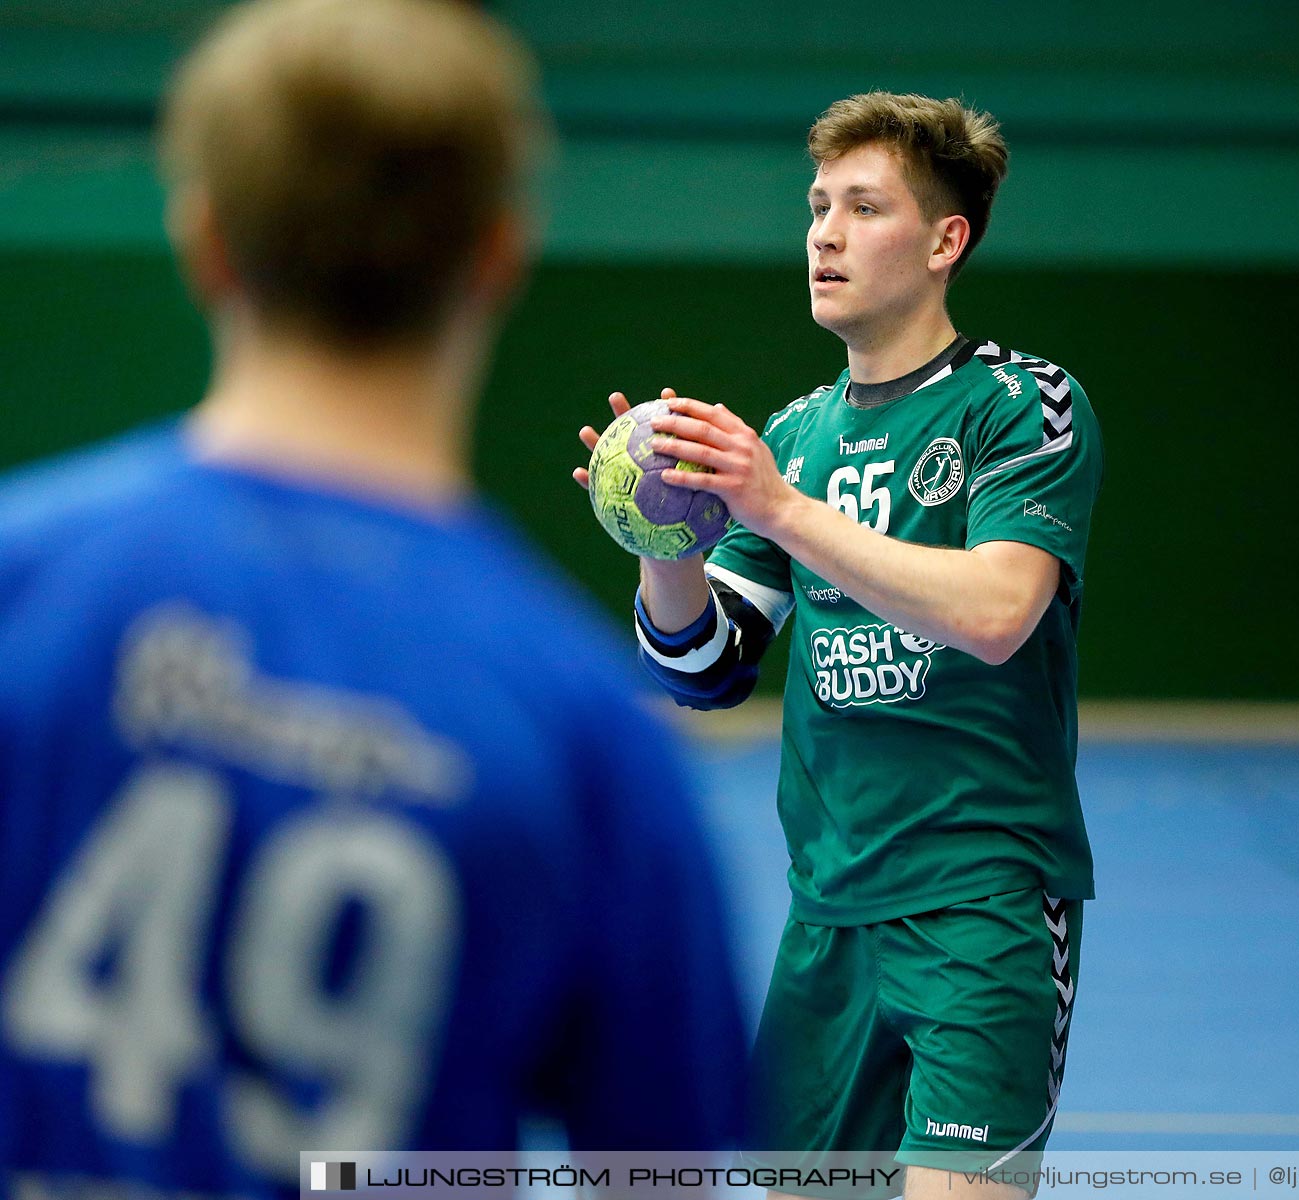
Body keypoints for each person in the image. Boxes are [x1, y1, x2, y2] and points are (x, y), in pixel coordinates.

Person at [0, 0, 744, 1193]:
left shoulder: (21, 580)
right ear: (499, 256)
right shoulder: (589, 732)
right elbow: (661, 1167)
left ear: (206, 242)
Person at [574, 93, 1103, 1197]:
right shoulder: (797, 436)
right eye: (819, 206)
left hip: (982, 906)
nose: (824, 233)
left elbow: (998, 614)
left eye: (864, 208)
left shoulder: (1021, 404)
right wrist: (664, 537)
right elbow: (700, 669)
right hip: (827, 916)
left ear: (946, 240)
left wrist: (776, 509)